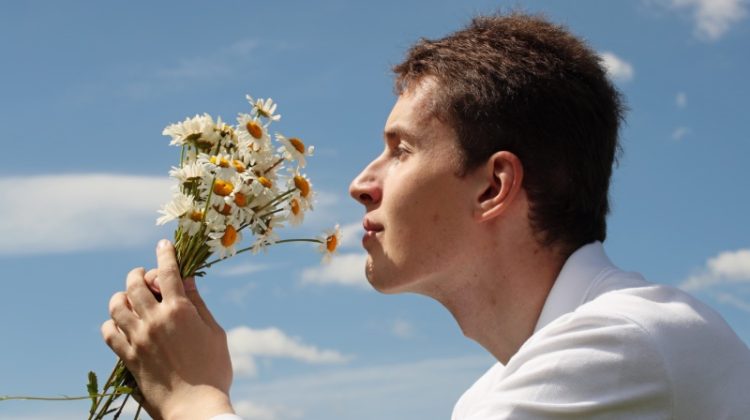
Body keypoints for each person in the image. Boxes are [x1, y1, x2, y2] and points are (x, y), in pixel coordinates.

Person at [102, 13, 750, 420]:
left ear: (493, 185)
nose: (359, 185)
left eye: (399, 150)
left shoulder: (624, 343)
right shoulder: (495, 394)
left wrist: (194, 399)